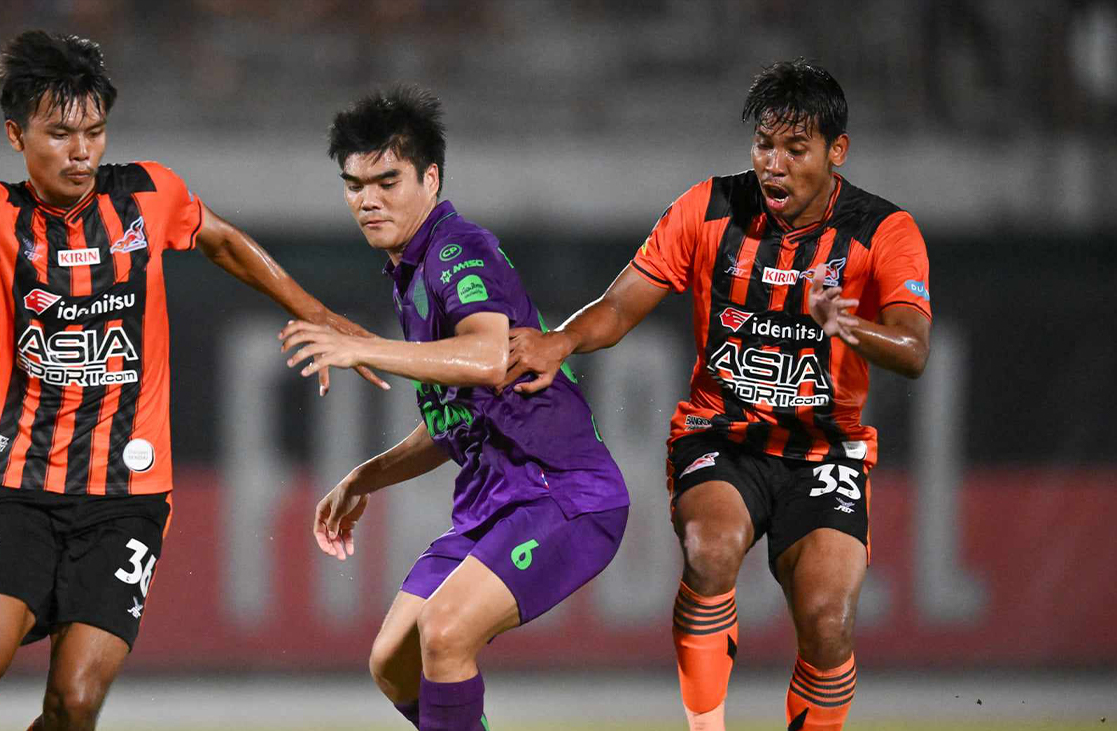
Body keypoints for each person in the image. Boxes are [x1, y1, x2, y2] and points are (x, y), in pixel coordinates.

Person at [0, 30, 385, 731]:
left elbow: (223, 240)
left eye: (95, 131)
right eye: (60, 134)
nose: (81, 151)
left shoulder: (148, 194)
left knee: (74, 704)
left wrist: (318, 314)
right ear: (16, 136)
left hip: (128, 500)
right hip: (21, 487)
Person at [506, 58, 933, 731]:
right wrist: (560, 341)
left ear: (837, 151)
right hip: (721, 435)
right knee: (711, 549)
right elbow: (619, 306)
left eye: (796, 149)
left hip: (826, 452)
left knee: (828, 622)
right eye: (764, 145)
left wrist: (846, 324)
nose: (774, 166)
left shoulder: (884, 230)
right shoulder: (708, 207)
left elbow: (913, 350)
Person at [278, 85, 630, 731]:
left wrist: (359, 345)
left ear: (431, 178)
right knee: (395, 662)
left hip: (562, 495)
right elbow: (454, 420)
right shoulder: (410, 270)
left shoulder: (455, 249)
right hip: (492, 505)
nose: (368, 200)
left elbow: (488, 356)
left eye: (387, 181)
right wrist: (364, 477)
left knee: (444, 631)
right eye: (354, 185)